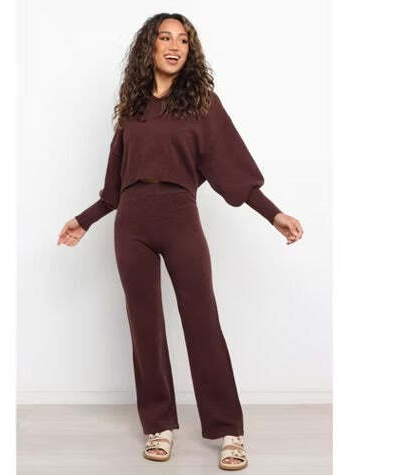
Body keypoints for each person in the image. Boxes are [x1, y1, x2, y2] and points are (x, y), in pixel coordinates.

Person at [57, 13, 303, 471]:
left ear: (191, 51)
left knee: (202, 321)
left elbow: (232, 169)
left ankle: (229, 430)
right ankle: (159, 425)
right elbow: (114, 186)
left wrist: (274, 214)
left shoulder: (202, 104)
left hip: (179, 218)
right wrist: (84, 221)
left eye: (183, 40)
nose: (174, 46)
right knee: (144, 326)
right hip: (131, 223)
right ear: (149, 47)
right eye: (165, 38)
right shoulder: (131, 107)